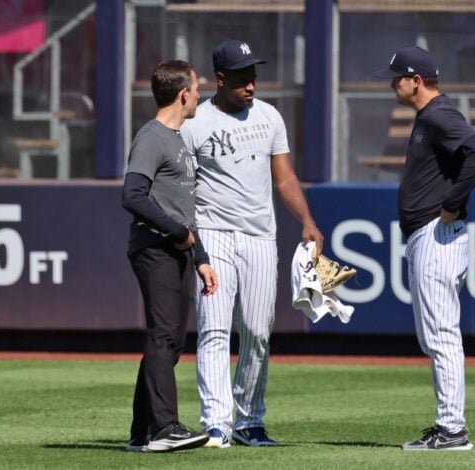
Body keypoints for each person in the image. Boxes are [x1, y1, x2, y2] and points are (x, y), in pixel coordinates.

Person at [180, 39, 324, 448]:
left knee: (259, 331)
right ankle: (216, 423)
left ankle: (249, 420)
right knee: (214, 329)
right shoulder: (196, 124)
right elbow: (184, 187)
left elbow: (284, 177)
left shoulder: (269, 117)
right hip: (214, 234)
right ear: (220, 80)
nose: (251, 86)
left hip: (261, 235)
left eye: (254, 77)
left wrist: (307, 221)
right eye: (242, 78)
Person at [374, 46, 475, 451]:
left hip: (438, 235)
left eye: (397, 78)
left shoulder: (440, 114)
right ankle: (448, 424)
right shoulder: (430, 116)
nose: (392, 84)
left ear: (416, 81)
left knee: (440, 334)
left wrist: (452, 202)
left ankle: (452, 429)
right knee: (433, 335)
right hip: (427, 236)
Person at [122, 60, 218, 453]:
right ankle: (165, 429)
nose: (200, 94)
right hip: (155, 249)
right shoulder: (152, 137)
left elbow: (186, 211)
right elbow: (132, 195)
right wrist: (177, 233)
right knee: (163, 336)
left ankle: (141, 431)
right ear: (183, 94)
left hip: (178, 250)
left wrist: (200, 257)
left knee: (171, 342)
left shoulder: (178, 138)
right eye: (197, 89)